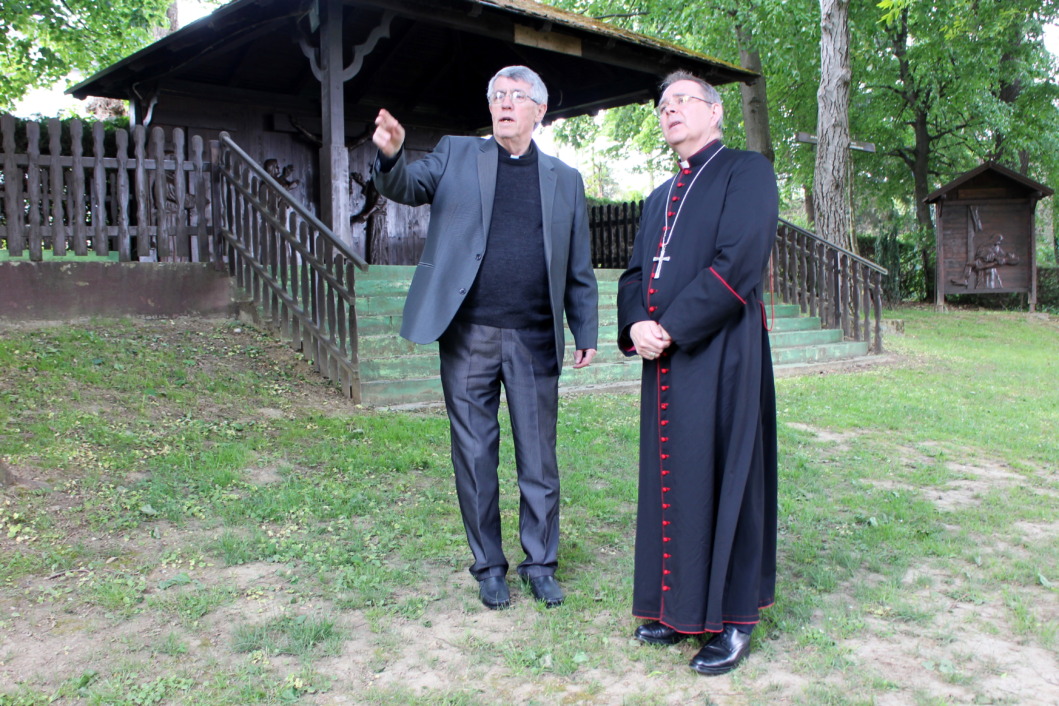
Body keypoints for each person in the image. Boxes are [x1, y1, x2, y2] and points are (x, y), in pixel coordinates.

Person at [372, 65, 598, 610]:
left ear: (539, 111)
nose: (504, 103)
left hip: (534, 337)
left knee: (539, 459)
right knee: (474, 455)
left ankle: (540, 564)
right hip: (468, 334)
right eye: (497, 94)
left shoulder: (565, 180)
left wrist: (584, 326)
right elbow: (405, 185)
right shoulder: (455, 153)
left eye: (517, 96)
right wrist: (391, 155)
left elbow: (579, 266)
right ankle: (489, 566)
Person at [616, 70, 779, 675]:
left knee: (727, 475)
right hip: (663, 359)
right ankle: (677, 608)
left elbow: (738, 263)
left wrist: (669, 327)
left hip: (724, 353)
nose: (670, 111)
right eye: (662, 105)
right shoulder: (660, 196)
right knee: (673, 480)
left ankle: (734, 620)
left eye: (683, 100)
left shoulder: (747, 171)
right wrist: (636, 325)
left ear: (715, 113)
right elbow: (634, 275)